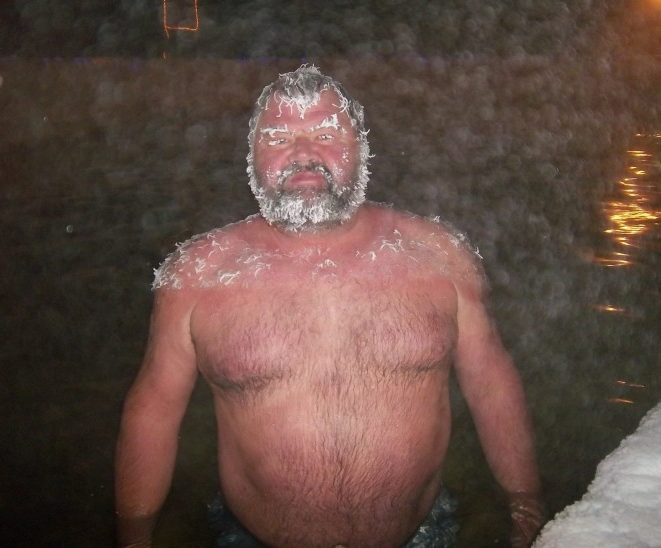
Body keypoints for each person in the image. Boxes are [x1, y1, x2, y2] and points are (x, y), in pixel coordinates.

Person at [115, 65, 545, 548]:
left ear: (360, 147)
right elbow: (154, 408)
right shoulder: (196, 273)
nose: (303, 154)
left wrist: (525, 507)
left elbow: (491, 382)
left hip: (424, 535)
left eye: (325, 133)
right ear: (251, 158)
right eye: (278, 137)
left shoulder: (440, 255)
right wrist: (134, 536)